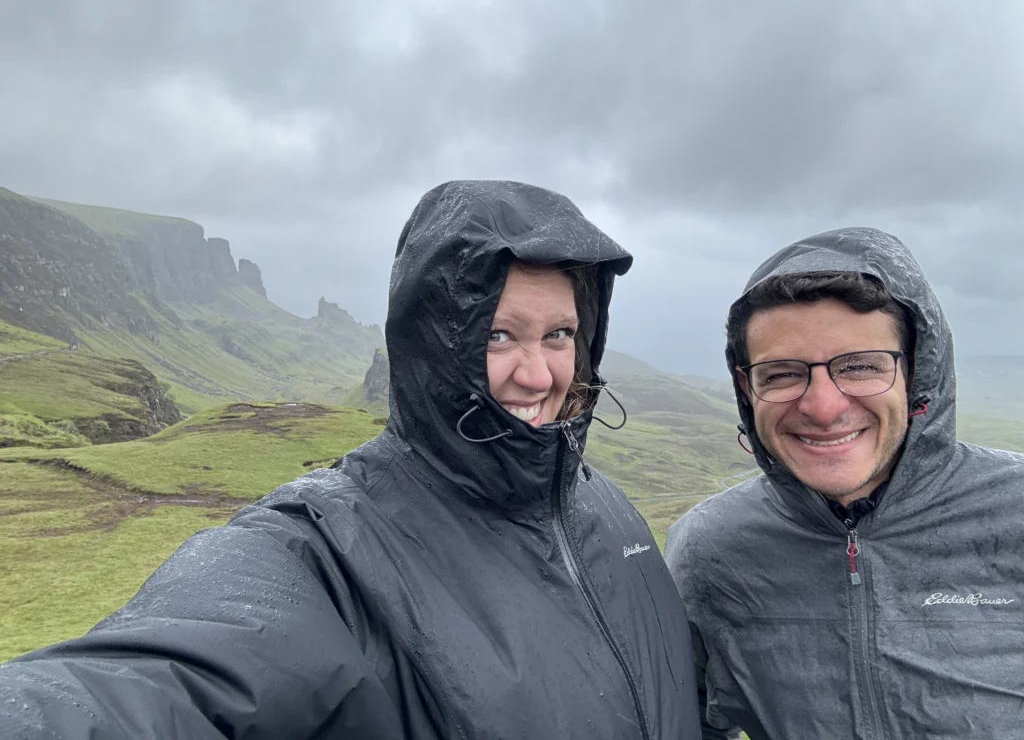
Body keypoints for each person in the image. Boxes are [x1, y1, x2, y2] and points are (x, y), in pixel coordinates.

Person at [0, 180, 701, 739]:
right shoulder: (331, 548)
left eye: (559, 333)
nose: (540, 373)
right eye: (496, 335)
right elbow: (153, 684)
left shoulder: (606, 509)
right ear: (433, 342)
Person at [665, 226, 1024, 739]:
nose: (823, 407)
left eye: (859, 366)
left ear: (917, 371)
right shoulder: (709, 548)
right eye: (783, 373)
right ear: (748, 387)